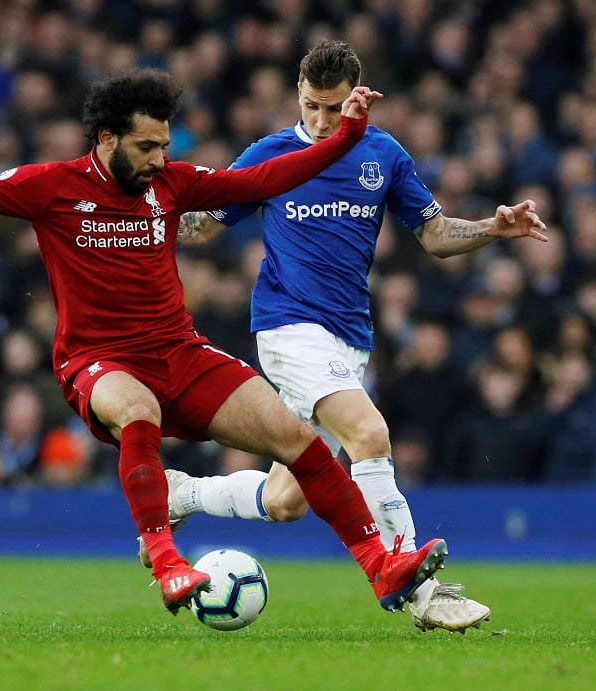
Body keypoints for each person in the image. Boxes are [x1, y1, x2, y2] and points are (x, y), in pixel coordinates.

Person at [0, 67, 451, 618]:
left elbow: (266, 181)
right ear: (107, 139)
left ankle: (381, 564)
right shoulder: (51, 186)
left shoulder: (172, 184)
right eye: (146, 146)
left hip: (180, 352)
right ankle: (166, 558)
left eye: (164, 145)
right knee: (138, 409)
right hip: (96, 362)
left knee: (297, 437)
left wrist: (351, 135)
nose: (159, 159)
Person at [164, 40, 548, 632]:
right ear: (298, 91)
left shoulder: (382, 156)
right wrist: (141, 217)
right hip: (288, 329)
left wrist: (493, 230)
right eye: (312, 105)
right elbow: (203, 226)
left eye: (333, 107)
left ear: (355, 99)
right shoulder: (269, 154)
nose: (320, 120)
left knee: (288, 499)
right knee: (370, 433)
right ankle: (422, 592)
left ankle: (184, 494)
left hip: (349, 338)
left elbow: (435, 233)